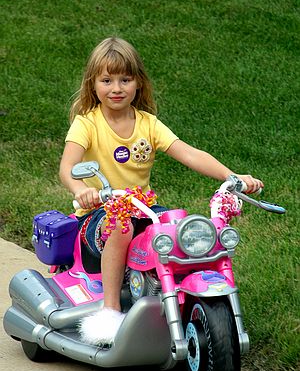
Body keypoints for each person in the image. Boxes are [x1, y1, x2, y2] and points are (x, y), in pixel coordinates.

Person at [59, 36, 263, 345]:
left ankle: (178, 297)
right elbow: (67, 166)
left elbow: (188, 153)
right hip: (99, 211)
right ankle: (111, 309)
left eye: (125, 79)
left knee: (180, 229)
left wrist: (230, 175)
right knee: (122, 225)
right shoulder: (87, 124)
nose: (116, 88)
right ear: (93, 84)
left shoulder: (148, 124)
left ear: (138, 83)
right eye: (107, 80)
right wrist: (81, 189)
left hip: (144, 206)